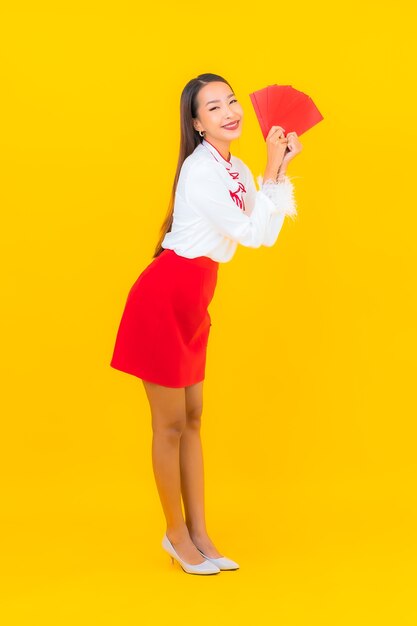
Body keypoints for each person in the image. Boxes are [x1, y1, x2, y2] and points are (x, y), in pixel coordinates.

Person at [110, 73, 302, 575]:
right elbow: (254, 235)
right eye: (214, 108)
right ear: (196, 123)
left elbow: (264, 228)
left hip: (195, 298)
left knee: (194, 418)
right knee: (169, 424)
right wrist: (271, 173)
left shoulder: (234, 166)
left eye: (232, 101)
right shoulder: (200, 171)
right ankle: (175, 535)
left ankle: (200, 533)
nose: (231, 112)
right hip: (164, 298)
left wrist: (275, 168)